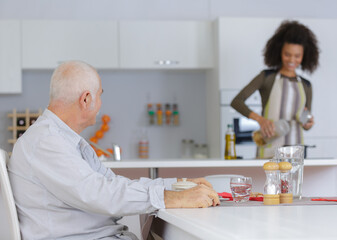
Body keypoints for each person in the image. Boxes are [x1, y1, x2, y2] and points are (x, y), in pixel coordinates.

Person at [8, 61, 220, 240]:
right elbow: (100, 194)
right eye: (100, 95)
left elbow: (111, 184)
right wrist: (172, 198)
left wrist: (177, 187)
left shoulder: (61, 139)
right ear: (86, 99)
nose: (101, 104)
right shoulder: (46, 141)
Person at [231, 20, 319, 158]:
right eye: (287, 54)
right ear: (279, 52)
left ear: (304, 56)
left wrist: (308, 124)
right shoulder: (267, 77)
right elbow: (237, 101)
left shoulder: (306, 85)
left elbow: (305, 122)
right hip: (268, 150)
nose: (292, 60)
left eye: (297, 56)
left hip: (295, 154)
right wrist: (261, 120)